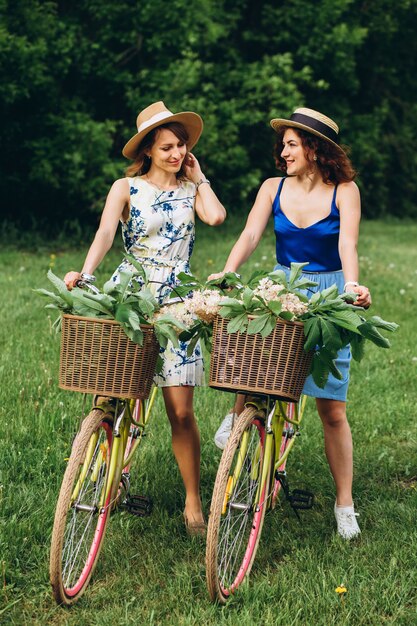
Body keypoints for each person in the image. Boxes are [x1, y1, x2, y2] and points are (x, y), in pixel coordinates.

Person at [65, 101, 226, 536]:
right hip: (131, 289)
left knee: (180, 410)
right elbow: (103, 233)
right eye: (168, 147)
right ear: (149, 151)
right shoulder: (126, 187)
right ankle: (110, 474)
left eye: (182, 146)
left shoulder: (193, 189)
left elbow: (215, 216)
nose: (176, 153)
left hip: (179, 297)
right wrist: (86, 273)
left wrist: (199, 176)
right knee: (114, 393)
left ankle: (193, 499)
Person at [209, 107, 371, 540]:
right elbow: (249, 235)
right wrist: (227, 272)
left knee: (331, 409)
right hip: (285, 284)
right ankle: (238, 416)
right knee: (255, 353)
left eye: (291, 144)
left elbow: (348, 243)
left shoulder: (345, 191)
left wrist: (352, 287)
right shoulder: (272, 187)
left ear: (315, 149)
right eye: (283, 145)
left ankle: (344, 504)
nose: (283, 152)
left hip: (329, 293)